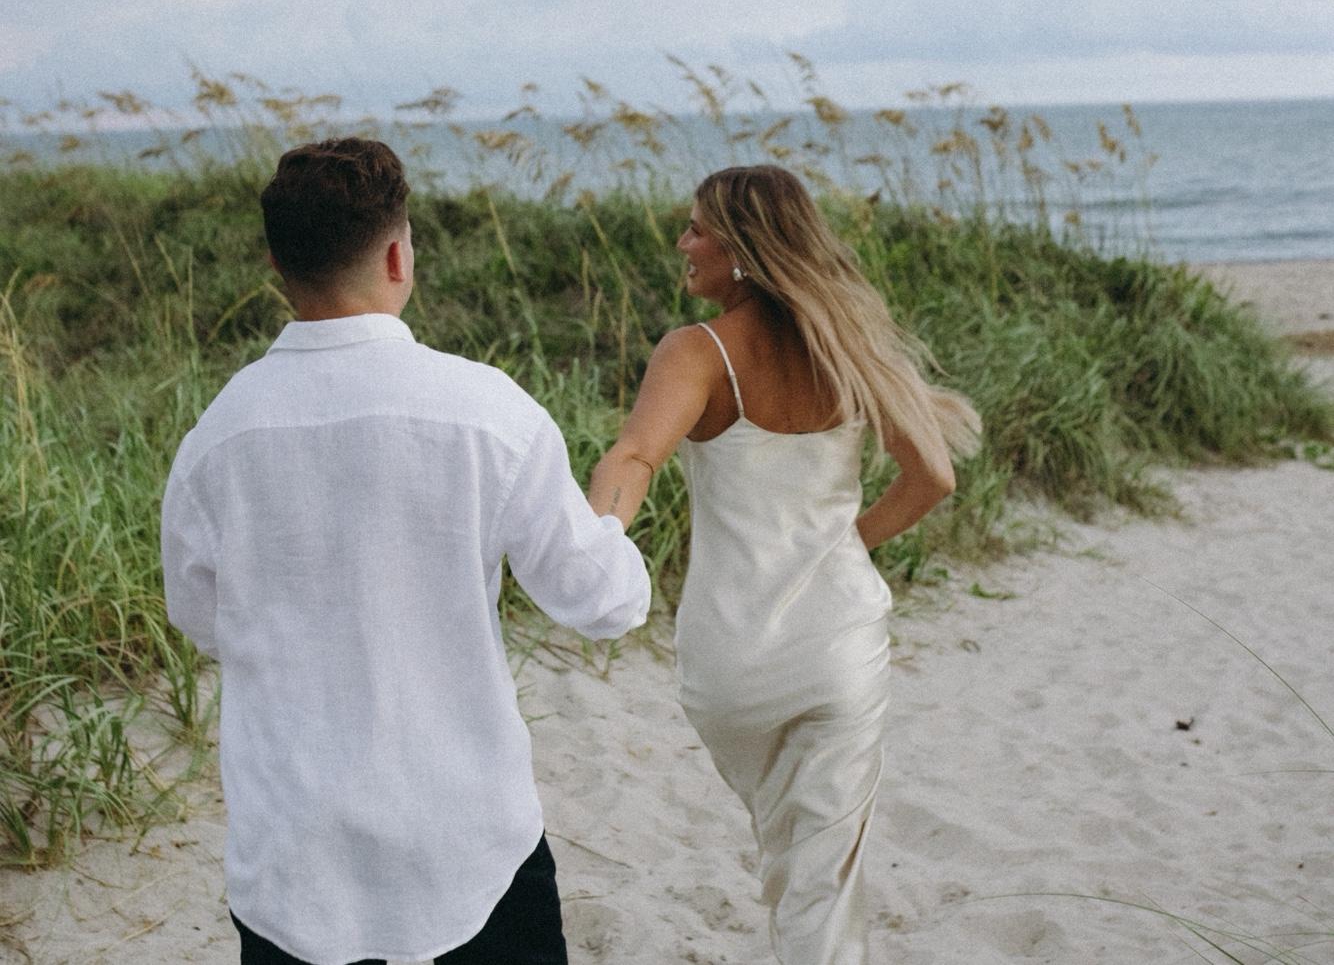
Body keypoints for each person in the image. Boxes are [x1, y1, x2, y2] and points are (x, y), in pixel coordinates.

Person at [161, 138, 650, 965]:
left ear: (277, 265)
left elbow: (202, 620)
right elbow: (605, 602)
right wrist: (610, 517)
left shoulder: (217, 438)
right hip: (468, 838)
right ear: (398, 256)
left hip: (295, 853)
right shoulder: (489, 412)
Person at [588, 164, 979, 964]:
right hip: (837, 641)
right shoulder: (848, 346)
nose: (682, 243)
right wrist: (846, 546)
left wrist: (596, 545)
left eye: (696, 228)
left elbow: (634, 456)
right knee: (818, 874)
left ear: (740, 247)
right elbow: (933, 477)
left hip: (728, 659)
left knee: (791, 854)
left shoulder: (696, 353)